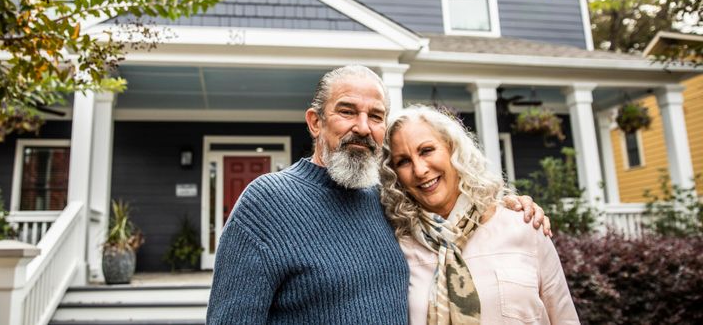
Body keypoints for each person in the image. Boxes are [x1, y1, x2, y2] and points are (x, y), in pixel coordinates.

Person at [206, 65, 549, 324]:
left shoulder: (391, 199)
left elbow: (454, 214)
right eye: (346, 111)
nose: (363, 127)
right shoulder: (266, 203)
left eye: (376, 116)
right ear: (315, 122)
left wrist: (507, 206)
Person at [380, 105, 579, 325]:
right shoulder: (398, 247)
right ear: (395, 176)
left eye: (426, 150)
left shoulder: (524, 225)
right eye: (403, 161)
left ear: (452, 149)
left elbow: (565, 318)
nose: (419, 170)